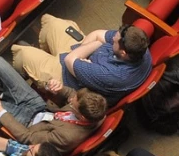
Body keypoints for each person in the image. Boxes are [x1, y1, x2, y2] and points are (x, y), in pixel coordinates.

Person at [0, 55, 108, 154]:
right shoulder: (96, 106)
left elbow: (27, 138)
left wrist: (0, 110)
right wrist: (60, 89)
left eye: (72, 104)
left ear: (81, 116)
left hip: (23, 123)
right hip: (39, 106)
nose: (71, 100)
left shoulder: (66, 137)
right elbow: (71, 95)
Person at [10, 16, 152, 104]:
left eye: (115, 41)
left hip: (67, 79)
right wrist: (83, 53)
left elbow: (69, 60)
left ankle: (22, 74)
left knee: (22, 53)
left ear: (123, 52)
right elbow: (97, 34)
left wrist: (93, 46)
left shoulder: (113, 75)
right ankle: (43, 55)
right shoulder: (138, 44)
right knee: (52, 23)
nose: (113, 37)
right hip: (82, 56)